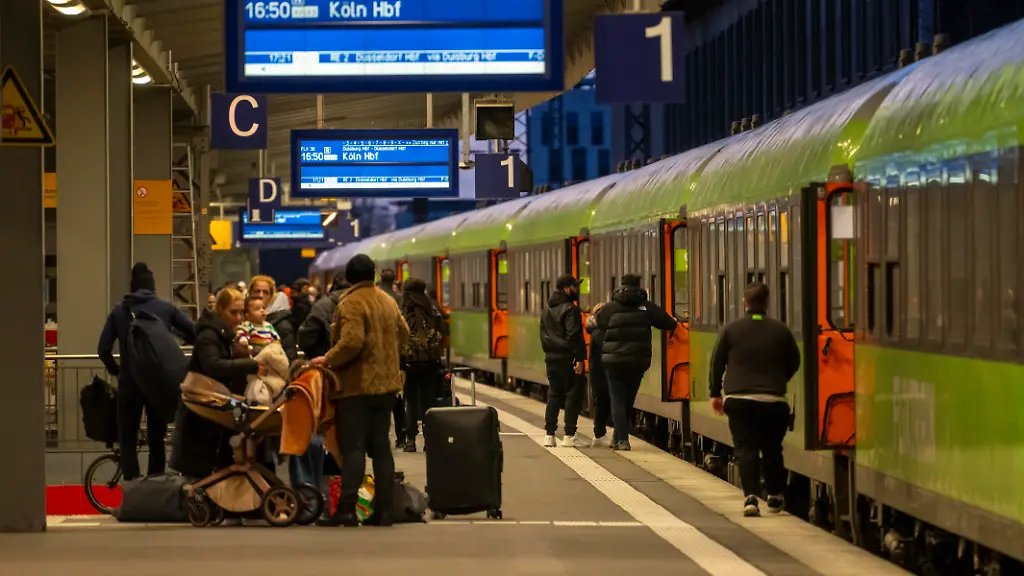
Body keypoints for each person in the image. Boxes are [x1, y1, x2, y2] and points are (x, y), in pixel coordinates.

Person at [313, 254, 409, 527]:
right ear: (374, 275)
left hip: (357, 387)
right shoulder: (388, 300)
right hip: (387, 387)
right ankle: (385, 510)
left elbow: (352, 342)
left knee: (353, 448)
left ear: (349, 278)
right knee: (381, 448)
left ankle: (346, 508)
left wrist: (328, 358)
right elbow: (404, 334)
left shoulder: (352, 302)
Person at [97, 263, 196, 482]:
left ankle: (132, 484)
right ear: (152, 286)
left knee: (127, 437)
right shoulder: (166, 308)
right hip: (157, 384)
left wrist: (117, 371)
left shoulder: (119, 311)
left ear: (132, 285)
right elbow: (194, 332)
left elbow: (102, 348)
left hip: (129, 383)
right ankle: (155, 485)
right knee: (156, 437)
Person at [709, 281, 800, 517]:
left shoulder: (731, 329)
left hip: (739, 399)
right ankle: (775, 495)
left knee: (745, 447)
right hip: (773, 400)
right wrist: (778, 380)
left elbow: (717, 363)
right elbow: (794, 361)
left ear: (744, 302)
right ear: (767, 302)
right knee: (772, 448)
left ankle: (750, 497)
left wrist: (714, 394)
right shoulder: (781, 330)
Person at [170, 289, 263, 482]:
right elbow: (213, 365)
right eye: (233, 312)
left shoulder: (223, 334)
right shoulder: (209, 336)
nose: (238, 318)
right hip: (201, 411)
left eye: (241, 312)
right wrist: (250, 365)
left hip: (210, 408)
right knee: (197, 473)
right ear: (220, 310)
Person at [596, 274, 678, 451]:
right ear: (639, 286)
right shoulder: (646, 307)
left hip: (613, 360)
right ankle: (619, 437)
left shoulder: (610, 308)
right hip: (637, 360)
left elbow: (600, 323)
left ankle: (621, 439)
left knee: (617, 398)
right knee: (628, 399)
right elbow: (668, 323)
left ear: (621, 285)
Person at [398, 277, 446, 453]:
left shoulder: (401, 309)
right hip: (430, 364)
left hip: (408, 363)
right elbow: (442, 332)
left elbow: (397, 334)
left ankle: (410, 440)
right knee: (429, 403)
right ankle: (429, 439)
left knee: (410, 401)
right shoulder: (433, 309)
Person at [539, 274, 587, 448]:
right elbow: (573, 335)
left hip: (551, 358)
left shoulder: (546, 309)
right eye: (575, 287)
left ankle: (549, 435)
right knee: (572, 395)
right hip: (568, 357)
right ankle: (569, 435)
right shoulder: (570, 309)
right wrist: (580, 358)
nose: (577, 290)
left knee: (554, 394)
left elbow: (543, 334)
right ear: (567, 289)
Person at [378, 267, 407, 448]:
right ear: (395, 281)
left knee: (379, 402)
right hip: (395, 357)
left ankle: (380, 438)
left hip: (376, 357)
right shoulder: (398, 300)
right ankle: (401, 436)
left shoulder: (375, 299)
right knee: (398, 400)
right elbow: (404, 330)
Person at [585, 301, 612, 448]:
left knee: (601, 403)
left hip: (597, 372)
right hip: (604, 372)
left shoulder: (595, 332)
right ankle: (601, 434)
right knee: (605, 403)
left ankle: (599, 434)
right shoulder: (601, 333)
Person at [266, 291, 298, 362]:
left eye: (266, 292)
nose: (261, 295)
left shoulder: (283, 326)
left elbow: (290, 355)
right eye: (257, 291)